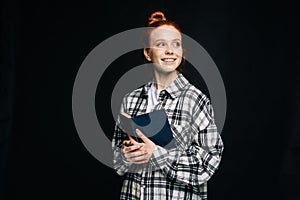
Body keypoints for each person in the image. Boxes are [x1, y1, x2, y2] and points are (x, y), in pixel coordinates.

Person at [112, 10, 224, 200]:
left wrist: (156, 154)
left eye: (176, 44)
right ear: (148, 53)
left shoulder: (195, 100)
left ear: (182, 51)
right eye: (161, 44)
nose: (170, 50)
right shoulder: (130, 99)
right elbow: (117, 158)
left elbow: (208, 162)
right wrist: (127, 157)